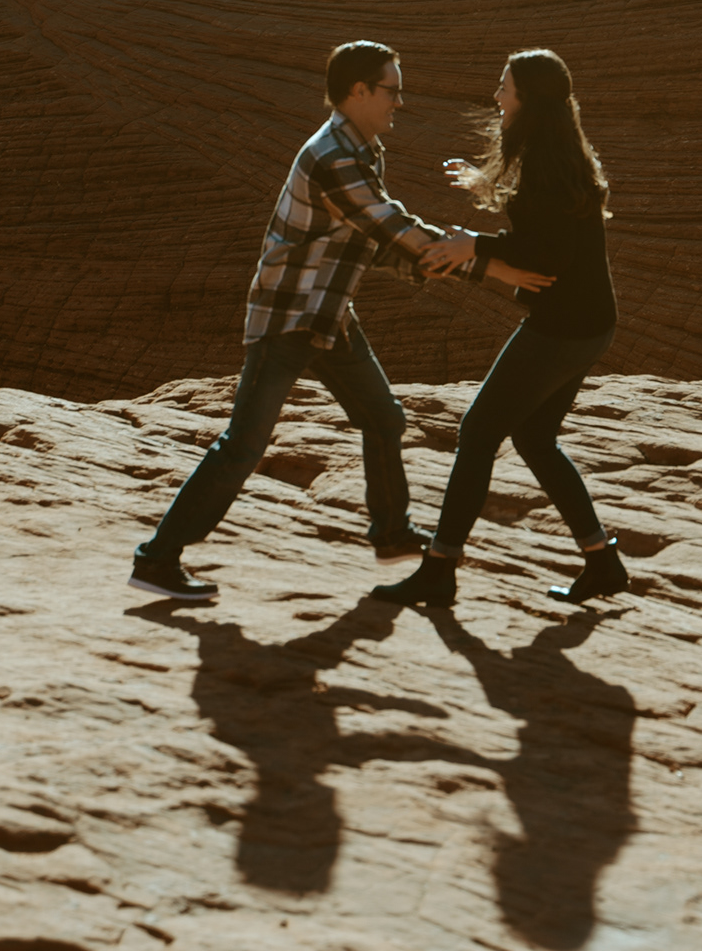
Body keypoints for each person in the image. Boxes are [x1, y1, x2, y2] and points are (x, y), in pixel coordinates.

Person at [129, 41, 532, 603]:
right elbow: (394, 229)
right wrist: (488, 267)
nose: (400, 100)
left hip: (328, 313)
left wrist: (473, 267)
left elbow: (382, 243)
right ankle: (157, 558)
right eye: (391, 90)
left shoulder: (360, 150)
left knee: (383, 418)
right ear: (358, 92)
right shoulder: (335, 157)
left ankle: (391, 533)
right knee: (244, 445)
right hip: (290, 316)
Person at [373, 47, 625, 612]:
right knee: (534, 438)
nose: (496, 96)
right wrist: (483, 184)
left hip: (564, 325)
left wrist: (474, 245)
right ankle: (602, 560)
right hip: (587, 320)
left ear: (527, 98)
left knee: (478, 431)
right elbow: (543, 220)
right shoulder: (557, 150)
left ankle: (440, 569)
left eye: (504, 87)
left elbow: (546, 252)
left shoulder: (545, 161)